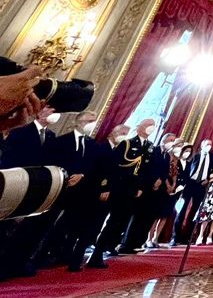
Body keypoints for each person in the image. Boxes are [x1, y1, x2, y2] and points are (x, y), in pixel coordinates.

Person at [88, 118, 155, 267]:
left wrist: (140, 187)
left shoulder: (150, 147)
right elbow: (112, 166)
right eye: (149, 125)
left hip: (132, 190)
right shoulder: (127, 144)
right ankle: (96, 253)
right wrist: (106, 187)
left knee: (118, 223)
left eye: (153, 126)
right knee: (106, 221)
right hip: (118, 187)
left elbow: (144, 170)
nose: (151, 128)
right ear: (140, 127)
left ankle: (107, 248)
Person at [40, 111, 99, 268]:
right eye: (89, 120)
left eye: (94, 120)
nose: (92, 123)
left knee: (69, 225)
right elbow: (52, 162)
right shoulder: (61, 141)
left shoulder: (93, 144)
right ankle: (39, 256)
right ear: (78, 121)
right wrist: (67, 176)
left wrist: (82, 175)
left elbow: (92, 165)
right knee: (48, 221)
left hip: (80, 192)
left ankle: (59, 252)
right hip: (60, 187)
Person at [73, 124, 127, 270]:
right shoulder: (102, 148)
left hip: (110, 194)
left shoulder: (118, 151)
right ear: (112, 133)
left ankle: (92, 258)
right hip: (97, 193)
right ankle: (76, 260)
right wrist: (104, 188)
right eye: (122, 132)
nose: (124, 136)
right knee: (88, 227)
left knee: (96, 227)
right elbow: (99, 171)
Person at [121, 132, 176, 253]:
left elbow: (165, 171)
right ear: (163, 140)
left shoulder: (166, 156)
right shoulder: (153, 151)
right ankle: (126, 243)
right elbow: (146, 168)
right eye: (170, 139)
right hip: (147, 188)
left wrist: (160, 180)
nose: (172, 142)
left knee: (149, 218)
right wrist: (154, 180)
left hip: (158, 191)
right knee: (138, 217)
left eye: (173, 140)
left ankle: (137, 243)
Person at [171, 138, 213, 246]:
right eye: (206, 144)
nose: (209, 146)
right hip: (190, 183)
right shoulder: (194, 156)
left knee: (195, 211)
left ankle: (187, 236)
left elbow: (212, 171)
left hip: (201, 185)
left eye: (210, 144)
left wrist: (208, 180)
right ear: (201, 145)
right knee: (182, 210)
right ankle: (175, 237)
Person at [147, 142, 189, 248]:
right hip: (163, 187)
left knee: (165, 215)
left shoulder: (178, 160)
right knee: (156, 215)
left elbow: (176, 175)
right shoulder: (166, 157)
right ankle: (149, 238)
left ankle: (155, 238)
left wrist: (174, 185)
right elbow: (164, 173)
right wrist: (168, 185)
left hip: (174, 190)